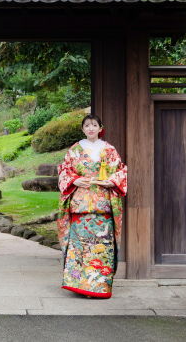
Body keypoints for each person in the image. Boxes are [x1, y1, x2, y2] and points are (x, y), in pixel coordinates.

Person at [57, 114, 127, 298]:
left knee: (102, 245)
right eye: (87, 125)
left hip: (103, 204)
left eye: (94, 125)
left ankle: (100, 286)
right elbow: (64, 170)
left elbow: (121, 170)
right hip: (81, 204)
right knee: (80, 245)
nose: (90, 128)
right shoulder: (74, 150)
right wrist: (76, 180)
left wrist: (113, 182)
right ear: (83, 129)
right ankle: (79, 283)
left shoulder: (109, 149)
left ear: (99, 128)